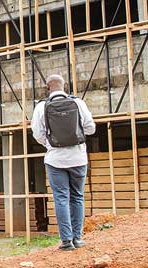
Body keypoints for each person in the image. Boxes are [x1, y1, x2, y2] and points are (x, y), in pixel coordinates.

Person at [30, 74, 96, 251]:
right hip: (79, 158)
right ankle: (78, 238)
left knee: (61, 199)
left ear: (47, 88)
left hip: (55, 160)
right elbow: (91, 128)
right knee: (77, 197)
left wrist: (51, 145)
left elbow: (37, 134)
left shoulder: (41, 107)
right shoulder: (78, 103)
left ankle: (66, 241)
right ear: (64, 86)